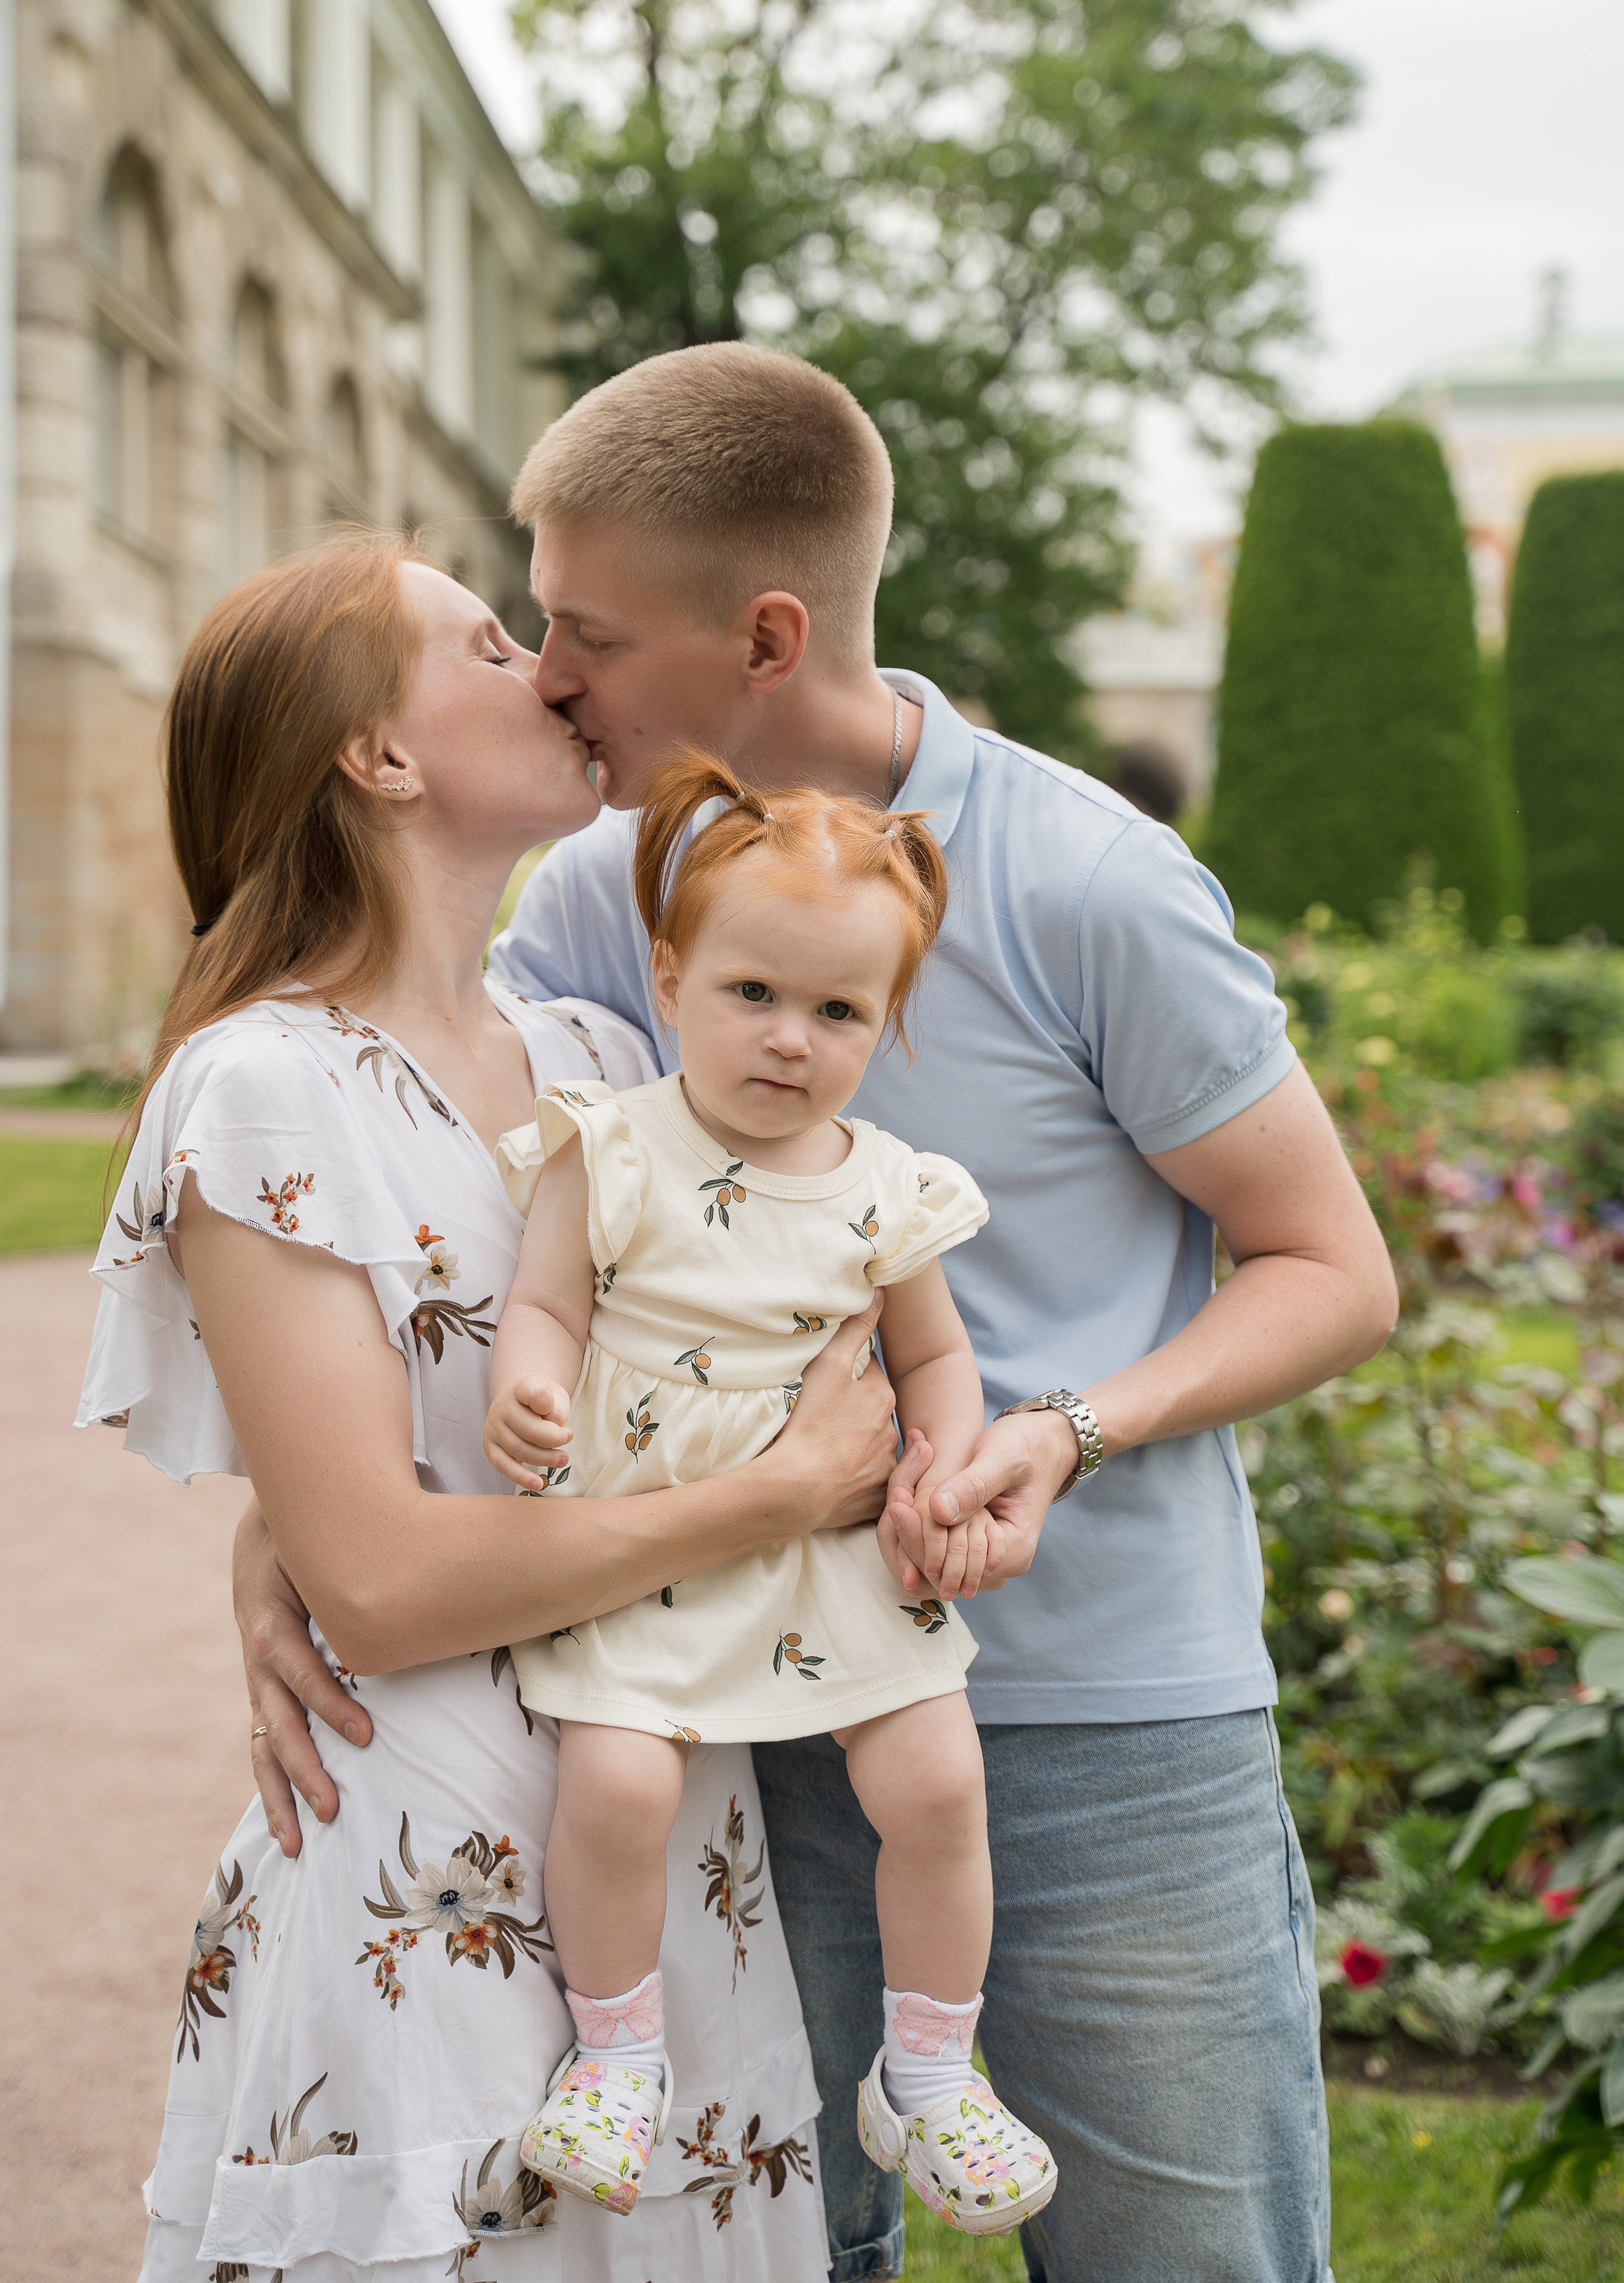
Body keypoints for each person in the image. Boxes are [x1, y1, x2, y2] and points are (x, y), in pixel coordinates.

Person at [243, 345, 1398, 2283]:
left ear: (768, 633)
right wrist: (288, 1521)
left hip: (1104, 1735)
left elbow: (1331, 1268)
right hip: (725, 1741)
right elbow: (474, 1238)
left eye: (586, 629)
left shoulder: (1090, 883)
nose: (547, 674)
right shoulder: (608, 897)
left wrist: (1057, 1430)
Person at [79, 534, 905, 2283]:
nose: (545, 665)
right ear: (378, 758)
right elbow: (374, 1584)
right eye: (483, 641)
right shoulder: (263, 1091)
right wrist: (778, 1496)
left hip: (681, 1843)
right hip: (430, 1875)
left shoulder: (606, 1062)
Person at [482, 752, 1054, 2235]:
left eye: (838, 1011)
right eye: (752, 994)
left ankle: (926, 2070)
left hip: (833, 1557)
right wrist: (523, 1382)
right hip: (650, 1539)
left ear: (884, 1025)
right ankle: (615, 2057)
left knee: (933, 1780)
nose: (790, 1040)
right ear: (670, 974)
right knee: (615, 1782)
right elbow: (542, 1305)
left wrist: (940, 1461)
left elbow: (935, 1356)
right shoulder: (607, 1148)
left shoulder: (885, 1186)